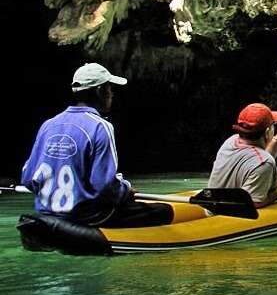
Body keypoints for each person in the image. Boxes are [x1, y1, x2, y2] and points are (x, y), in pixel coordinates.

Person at [21, 63, 173, 227]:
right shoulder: (101, 127)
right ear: (100, 91)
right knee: (164, 211)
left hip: (47, 213)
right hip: (88, 217)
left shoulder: (48, 125)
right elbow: (105, 187)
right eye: (109, 88)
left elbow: (28, 178)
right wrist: (125, 190)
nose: (112, 94)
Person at [208, 103, 277, 208]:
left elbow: (257, 162)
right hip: (236, 213)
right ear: (268, 131)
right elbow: (253, 203)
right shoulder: (264, 162)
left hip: (216, 203)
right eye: (273, 125)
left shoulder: (230, 142)